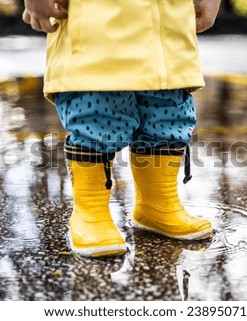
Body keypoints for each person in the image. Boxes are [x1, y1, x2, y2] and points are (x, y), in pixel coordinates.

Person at [22, 0, 222, 257]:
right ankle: (90, 212)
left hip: (169, 25)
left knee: (168, 116)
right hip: (96, 25)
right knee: (96, 117)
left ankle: (157, 205)